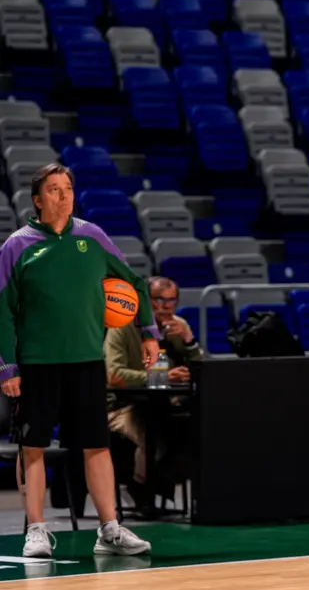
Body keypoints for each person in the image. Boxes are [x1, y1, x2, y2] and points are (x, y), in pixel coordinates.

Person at [0, 163, 156, 558]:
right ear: (37, 200)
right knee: (32, 446)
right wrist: (8, 367)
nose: (63, 195)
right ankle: (36, 530)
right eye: (53, 189)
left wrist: (150, 331)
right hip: (36, 364)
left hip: (87, 361)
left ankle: (109, 530)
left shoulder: (92, 236)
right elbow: (2, 310)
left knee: (96, 445)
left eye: (68, 188)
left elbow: (135, 283)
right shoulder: (17, 246)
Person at [105, 275, 203, 509]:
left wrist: (189, 342)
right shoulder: (122, 326)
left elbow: (202, 370)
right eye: (159, 299)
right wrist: (163, 377)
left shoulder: (178, 326)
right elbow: (114, 376)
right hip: (120, 406)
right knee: (151, 433)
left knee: (195, 430)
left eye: (172, 300)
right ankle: (143, 488)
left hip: (164, 402)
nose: (166, 306)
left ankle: (155, 485)